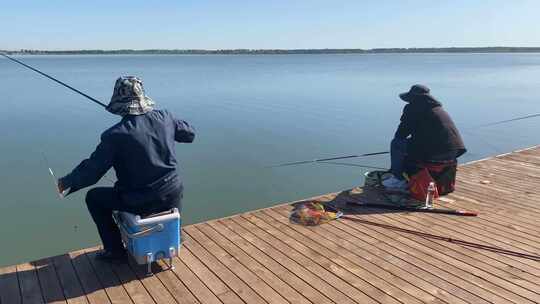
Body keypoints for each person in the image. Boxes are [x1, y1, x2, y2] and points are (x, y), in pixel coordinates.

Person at [58, 76, 195, 261]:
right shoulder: (166, 117)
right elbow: (189, 134)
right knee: (171, 186)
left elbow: (92, 172)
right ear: (143, 98)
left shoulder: (114, 135)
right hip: (172, 193)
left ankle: (115, 251)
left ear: (119, 102)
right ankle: (176, 233)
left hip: (140, 199)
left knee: (94, 198)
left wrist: (66, 182)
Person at [383, 84, 466, 189]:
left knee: (396, 143)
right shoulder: (438, 109)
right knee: (410, 145)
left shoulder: (412, 108)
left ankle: (398, 178)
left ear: (412, 98)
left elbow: (400, 134)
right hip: (454, 151)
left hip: (435, 153)